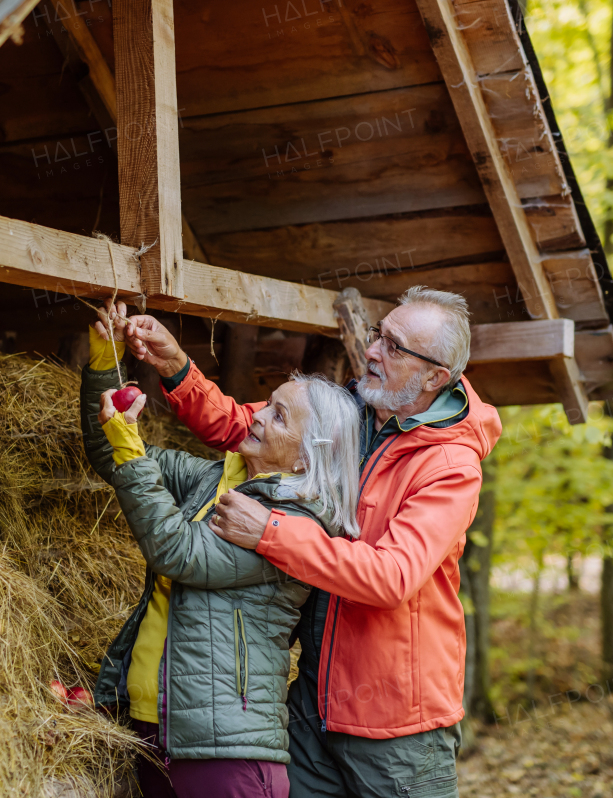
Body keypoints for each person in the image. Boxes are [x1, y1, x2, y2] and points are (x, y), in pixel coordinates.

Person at [116, 286, 502, 798]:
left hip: (399, 728)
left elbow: (393, 577)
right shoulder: (354, 410)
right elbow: (246, 425)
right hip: (311, 707)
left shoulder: (449, 466)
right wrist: (177, 367)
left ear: (435, 376)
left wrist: (271, 531)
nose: (372, 351)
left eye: (395, 346)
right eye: (378, 335)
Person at [81, 303, 362, 798]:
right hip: (155, 730)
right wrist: (104, 360)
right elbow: (114, 453)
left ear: (307, 454)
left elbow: (176, 550)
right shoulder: (215, 478)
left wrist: (129, 445)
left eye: (279, 416)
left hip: (225, 752)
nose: (257, 416)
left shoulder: (291, 523)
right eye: (267, 403)